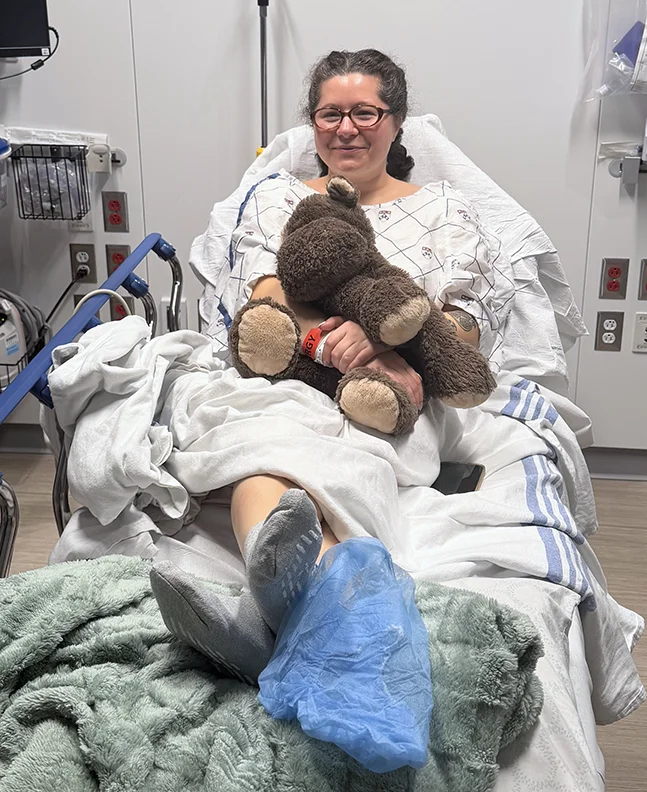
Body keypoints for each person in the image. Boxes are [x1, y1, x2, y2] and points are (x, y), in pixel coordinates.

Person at [150, 49, 515, 685]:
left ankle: (281, 629)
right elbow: (262, 303)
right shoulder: (276, 199)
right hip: (285, 377)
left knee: (342, 451)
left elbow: (464, 324)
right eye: (330, 114)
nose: (346, 129)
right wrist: (324, 337)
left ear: (397, 123)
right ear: (313, 124)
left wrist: (381, 343)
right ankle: (329, 622)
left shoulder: (445, 210)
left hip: (392, 386)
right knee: (260, 443)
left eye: (365, 113)